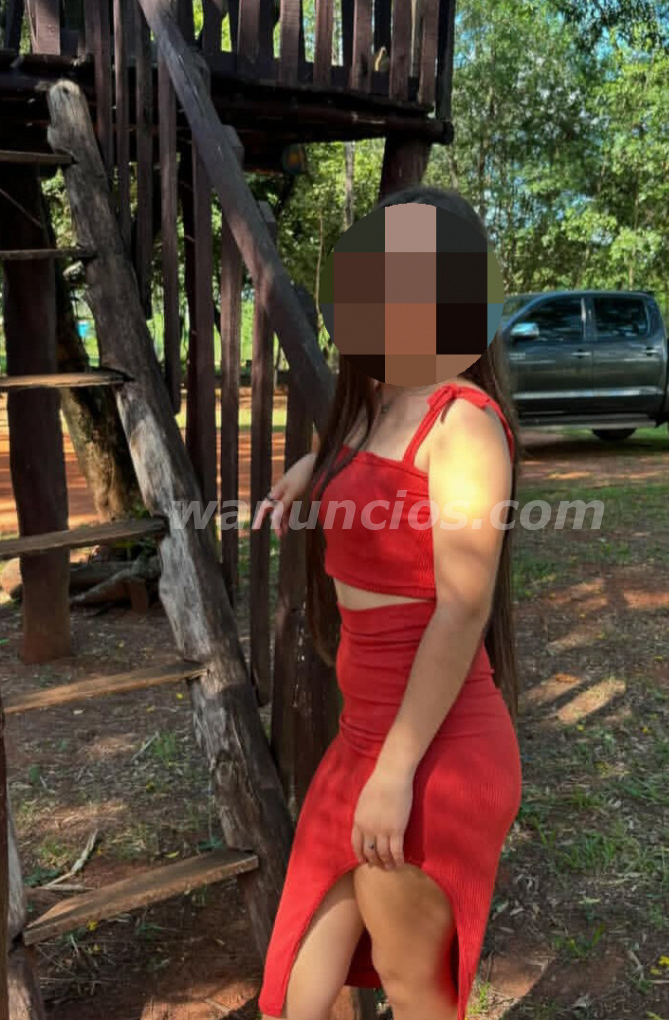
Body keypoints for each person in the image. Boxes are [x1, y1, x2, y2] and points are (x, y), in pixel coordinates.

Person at [251, 185, 522, 1020]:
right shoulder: (380, 397)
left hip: (432, 750)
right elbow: (373, 464)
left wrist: (396, 774)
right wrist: (316, 469)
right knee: (298, 995)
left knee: (415, 993)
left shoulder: (464, 421)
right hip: (362, 738)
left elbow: (463, 608)